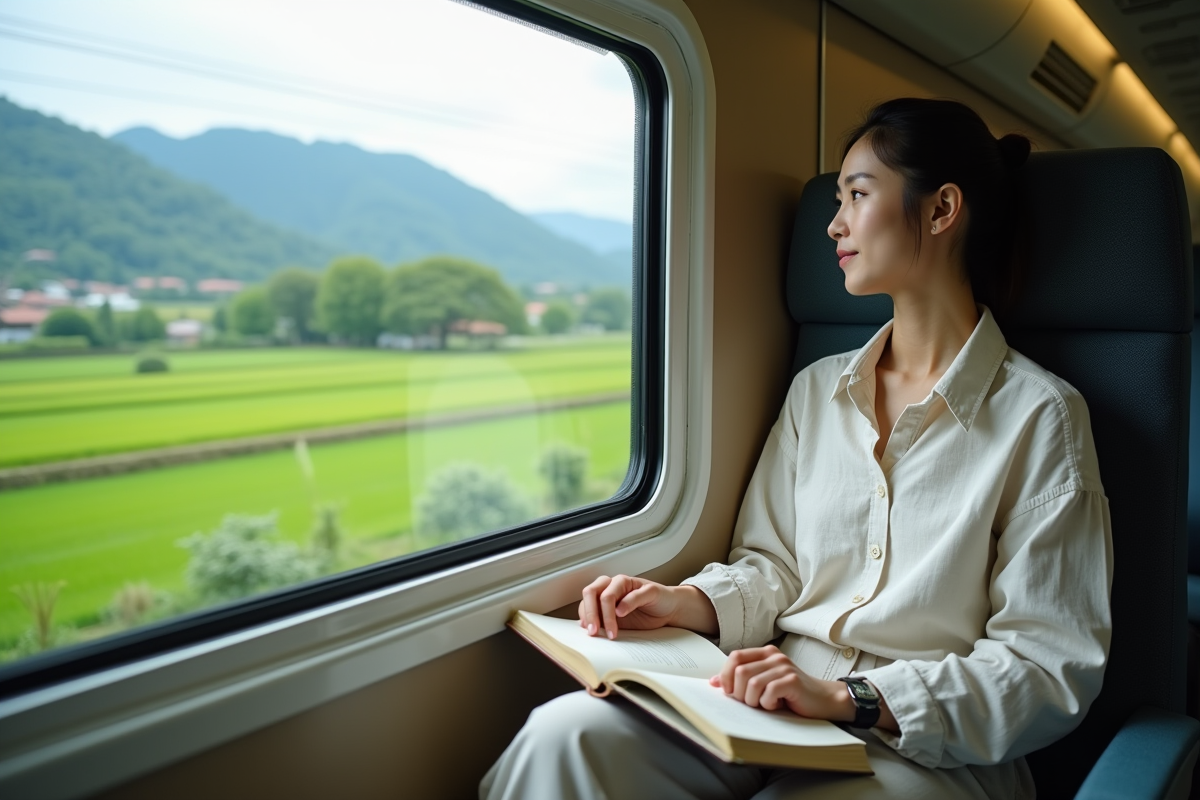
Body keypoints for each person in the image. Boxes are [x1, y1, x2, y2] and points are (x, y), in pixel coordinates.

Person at [480, 97, 1113, 800]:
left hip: (924, 753)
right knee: (563, 737)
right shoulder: (818, 392)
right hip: (772, 708)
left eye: (858, 195)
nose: (834, 224)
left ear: (940, 211)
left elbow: (1046, 665)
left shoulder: (1042, 416)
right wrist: (685, 602)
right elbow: (776, 566)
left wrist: (854, 698)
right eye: (837, 198)